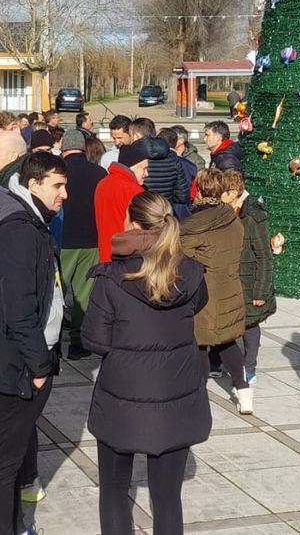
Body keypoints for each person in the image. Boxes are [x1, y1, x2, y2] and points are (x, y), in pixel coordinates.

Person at [83, 190, 209, 535]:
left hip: (122, 398)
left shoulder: (111, 278)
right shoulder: (192, 273)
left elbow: (93, 340)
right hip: (176, 395)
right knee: (168, 498)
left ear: (133, 224)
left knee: (113, 491)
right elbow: (196, 305)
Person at [0, 152, 68, 535]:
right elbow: (19, 308)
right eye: (57, 185)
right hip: (20, 359)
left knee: (16, 446)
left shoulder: (32, 224)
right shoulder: (20, 231)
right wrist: (39, 365)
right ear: (33, 184)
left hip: (29, 355)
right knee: (7, 456)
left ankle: (14, 525)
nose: (64, 194)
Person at [182, 168, 251, 414]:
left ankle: (198, 395)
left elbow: (181, 257)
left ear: (199, 190)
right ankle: (244, 392)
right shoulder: (232, 218)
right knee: (227, 341)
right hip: (230, 287)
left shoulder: (192, 224)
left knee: (200, 342)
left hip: (204, 293)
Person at [59, 128, 106, 360]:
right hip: (92, 239)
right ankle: (78, 344)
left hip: (64, 240)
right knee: (84, 295)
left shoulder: (57, 171)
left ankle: (53, 342)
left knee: (57, 292)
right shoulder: (99, 173)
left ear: (63, 147)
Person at [95, 139, 153, 262]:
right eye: (144, 168)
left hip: (105, 252)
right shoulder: (135, 191)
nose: (147, 174)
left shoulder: (102, 183)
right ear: (132, 167)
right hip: (127, 255)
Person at [238, 192, 275, 382]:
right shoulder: (226, 211)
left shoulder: (253, 216)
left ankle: (249, 367)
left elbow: (264, 256)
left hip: (250, 281)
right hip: (234, 279)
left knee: (250, 323)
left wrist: (261, 291)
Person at [143, 130, 192, 220]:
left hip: (145, 210)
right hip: (166, 212)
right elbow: (182, 196)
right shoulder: (174, 159)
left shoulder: (142, 157)